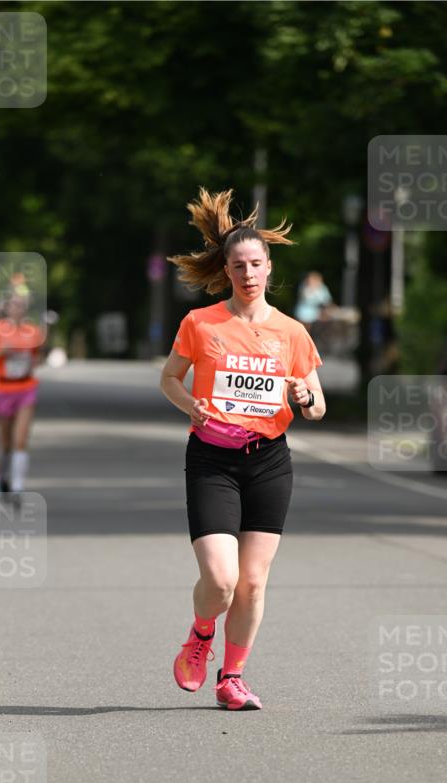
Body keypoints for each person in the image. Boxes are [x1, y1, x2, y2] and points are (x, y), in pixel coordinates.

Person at [161, 188, 325, 711]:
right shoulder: (201, 324)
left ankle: (232, 677)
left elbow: (316, 404)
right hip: (211, 459)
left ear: (269, 267)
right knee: (221, 578)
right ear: (226, 270)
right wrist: (190, 404)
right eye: (238, 265)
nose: (248, 274)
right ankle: (201, 634)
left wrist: (305, 396)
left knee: (252, 583)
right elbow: (169, 379)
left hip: (269, 461)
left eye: (256, 264)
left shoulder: (292, 332)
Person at [0, 292, 43, 505]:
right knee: (5, 443)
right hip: (2, 389)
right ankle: (0, 476)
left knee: (20, 440)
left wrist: (34, 363)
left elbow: (38, 355)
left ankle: (17, 487)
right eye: (13, 305)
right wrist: (0, 353)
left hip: (26, 387)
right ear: (6, 309)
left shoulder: (33, 331)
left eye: (21, 305)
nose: (17, 309)